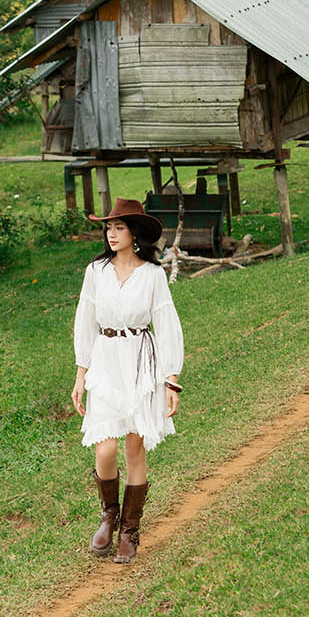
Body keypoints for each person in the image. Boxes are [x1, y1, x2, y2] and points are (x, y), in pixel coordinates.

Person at [72, 198, 184, 563]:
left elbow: (166, 325)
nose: (112, 234)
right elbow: (84, 321)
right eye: (109, 228)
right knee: (104, 448)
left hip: (140, 361)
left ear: (135, 234)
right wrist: (80, 372)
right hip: (105, 360)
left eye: (119, 227)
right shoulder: (95, 271)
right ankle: (109, 514)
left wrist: (171, 379)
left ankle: (130, 530)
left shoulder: (152, 275)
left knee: (135, 449)